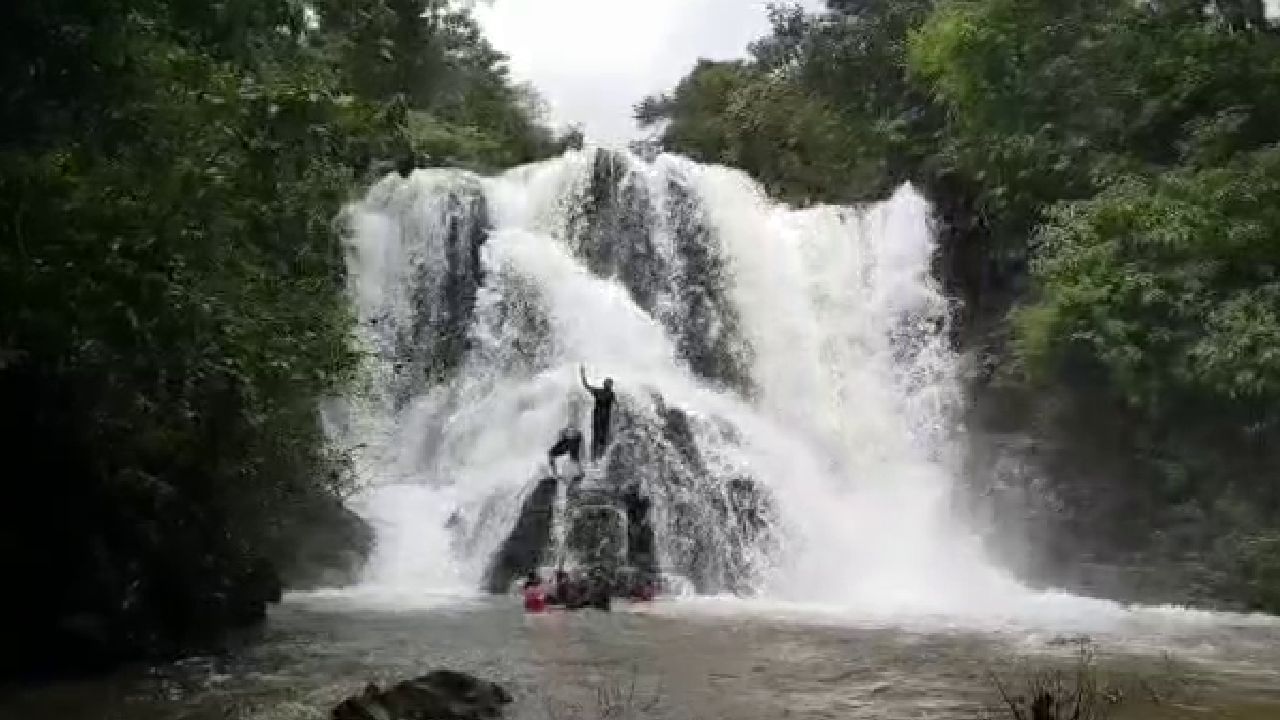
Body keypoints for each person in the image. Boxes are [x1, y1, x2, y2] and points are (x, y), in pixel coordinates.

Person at [580, 366, 615, 461]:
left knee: (602, 438)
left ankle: (599, 458)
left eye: (609, 383)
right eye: (606, 383)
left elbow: (616, 406)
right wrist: (582, 375)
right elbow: (586, 385)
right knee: (597, 437)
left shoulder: (610, 394)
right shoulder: (601, 392)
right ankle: (594, 459)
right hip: (598, 417)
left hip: (604, 418)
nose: (607, 384)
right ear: (604, 384)